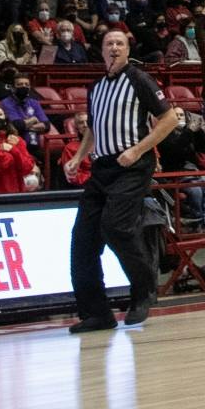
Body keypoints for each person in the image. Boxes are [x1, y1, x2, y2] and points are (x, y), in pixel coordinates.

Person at [67, 28, 180, 333]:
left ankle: (143, 292)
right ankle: (97, 313)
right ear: (101, 51)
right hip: (102, 167)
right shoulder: (97, 87)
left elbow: (170, 119)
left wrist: (138, 149)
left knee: (116, 226)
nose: (114, 48)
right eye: (109, 44)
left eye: (120, 43)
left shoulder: (139, 79)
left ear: (128, 50)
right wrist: (78, 157)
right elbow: (93, 128)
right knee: (82, 241)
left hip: (133, 165)